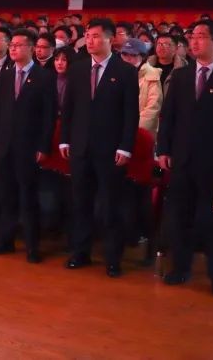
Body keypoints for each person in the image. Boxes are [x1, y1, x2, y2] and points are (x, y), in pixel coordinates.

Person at [157, 20, 213, 297]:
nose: (194, 42)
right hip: (182, 160)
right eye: (192, 36)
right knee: (179, 216)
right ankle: (180, 268)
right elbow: (168, 116)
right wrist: (163, 149)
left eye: (201, 37)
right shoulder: (182, 75)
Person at [60, 18, 139, 278]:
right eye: (87, 36)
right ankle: (80, 252)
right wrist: (65, 139)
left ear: (110, 39)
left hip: (110, 149)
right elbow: (69, 108)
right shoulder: (78, 69)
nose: (90, 40)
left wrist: (125, 147)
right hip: (80, 147)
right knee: (80, 202)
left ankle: (112, 258)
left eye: (95, 36)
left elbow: (131, 114)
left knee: (110, 205)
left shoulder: (125, 71)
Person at [0, 29, 56, 263]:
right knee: (6, 197)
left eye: (18, 45)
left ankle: (32, 246)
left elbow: (48, 116)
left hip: (29, 147)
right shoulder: (5, 75)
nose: (13, 48)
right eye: (12, 45)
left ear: (31, 48)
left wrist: (43, 146)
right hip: (4, 145)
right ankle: (5, 240)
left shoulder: (44, 77)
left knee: (28, 198)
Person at [119, 38, 163, 136]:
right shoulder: (116, 73)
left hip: (139, 133)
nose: (128, 58)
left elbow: (152, 109)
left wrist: (132, 130)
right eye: (124, 54)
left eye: (133, 55)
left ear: (143, 56)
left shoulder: (152, 75)